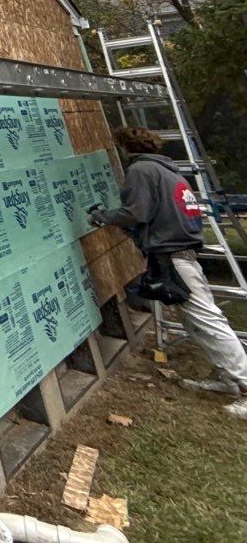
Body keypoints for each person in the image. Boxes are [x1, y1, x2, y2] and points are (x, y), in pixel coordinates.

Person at [91, 126, 247, 418]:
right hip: (182, 253)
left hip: (174, 256)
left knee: (207, 319)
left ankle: (245, 383)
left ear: (125, 148)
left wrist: (104, 217)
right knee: (195, 321)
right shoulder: (170, 172)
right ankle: (228, 379)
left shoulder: (141, 171)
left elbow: (136, 213)